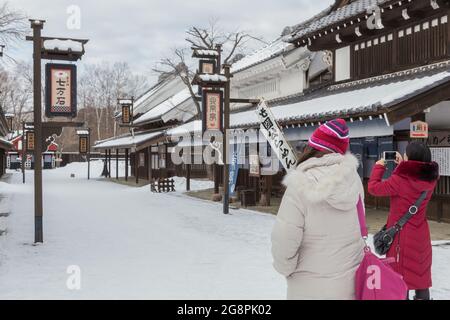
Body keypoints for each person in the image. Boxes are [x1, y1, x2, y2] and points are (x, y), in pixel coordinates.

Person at [271, 119, 365, 300]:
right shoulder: (354, 181)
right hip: (350, 284)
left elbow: (284, 240)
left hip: (308, 286)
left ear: (312, 148)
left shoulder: (299, 184)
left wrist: (286, 269)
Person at [368, 142, 439, 300]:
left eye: (406, 154)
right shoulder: (430, 180)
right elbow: (414, 179)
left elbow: (373, 188)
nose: (404, 155)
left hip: (401, 238)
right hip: (421, 236)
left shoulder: (399, 180)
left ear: (411, 158)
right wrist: (404, 165)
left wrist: (379, 166)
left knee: (401, 279)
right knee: (421, 279)